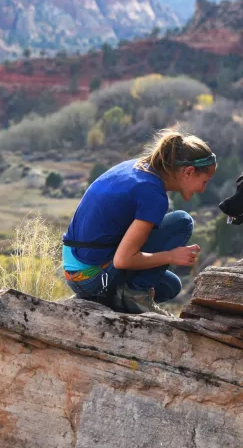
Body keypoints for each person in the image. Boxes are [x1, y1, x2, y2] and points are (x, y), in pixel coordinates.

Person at [62, 129, 216, 314]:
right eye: (205, 181)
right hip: (93, 278)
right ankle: (134, 296)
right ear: (189, 172)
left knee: (170, 286)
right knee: (182, 222)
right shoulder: (153, 194)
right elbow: (122, 260)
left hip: (75, 273)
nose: (203, 189)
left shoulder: (136, 168)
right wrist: (171, 256)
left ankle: (113, 298)